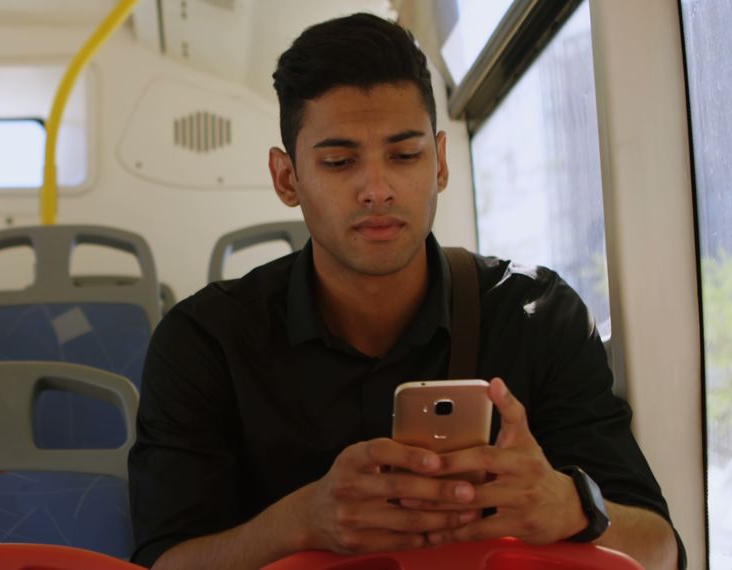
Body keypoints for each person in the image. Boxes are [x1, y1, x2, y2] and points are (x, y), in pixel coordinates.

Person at [127, 12, 682, 570]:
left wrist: (569, 508)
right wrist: (300, 522)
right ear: (287, 179)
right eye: (340, 161)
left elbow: (662, 550)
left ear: (440, 162)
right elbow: (164, 562)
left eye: (405, 155)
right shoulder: (205, 342)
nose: (377, 189)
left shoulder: (539, 317)